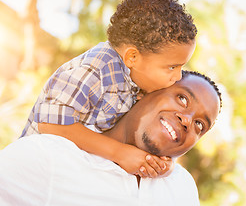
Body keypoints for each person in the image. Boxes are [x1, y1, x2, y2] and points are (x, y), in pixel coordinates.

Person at [20, 0, 198, 177]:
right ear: (132, 57)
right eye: (172, 67)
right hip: (34, 173)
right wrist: (119, 153)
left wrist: (165, 160)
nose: (179, 76)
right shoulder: (96, 69)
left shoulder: (141, 82)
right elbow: (50, 124)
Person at [0, 71, 222, 206]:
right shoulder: (50, 156)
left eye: (200, 125)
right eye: (182, 99)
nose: (187, 120)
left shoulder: (182, 187)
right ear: (144, 92)